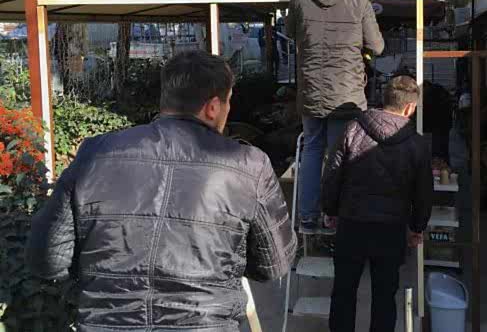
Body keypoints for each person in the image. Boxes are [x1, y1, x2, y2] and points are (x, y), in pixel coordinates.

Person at [27, 50, 296, 332]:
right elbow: (273, 265)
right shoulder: (249, 165)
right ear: (213, 107)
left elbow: (47, 260)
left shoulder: (96, 152)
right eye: (229, 102)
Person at [321, 76, 433, 332]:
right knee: (384, 296)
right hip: (391, 230)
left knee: (343, 291)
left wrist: (330, 210)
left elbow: (332, 175)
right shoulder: (417, 144)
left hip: (352, 224)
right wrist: (417, 227)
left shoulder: (352, 129)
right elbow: (424, 193)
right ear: (409, 108)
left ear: (385, 100)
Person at [287, 0, 385, 233]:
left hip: (311, 92)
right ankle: (334, 216)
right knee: (339, 157)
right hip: (346, 96)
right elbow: (377, 47)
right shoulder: (360, 0)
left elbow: (291, 32)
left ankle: (307, 218)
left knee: (311, 151)